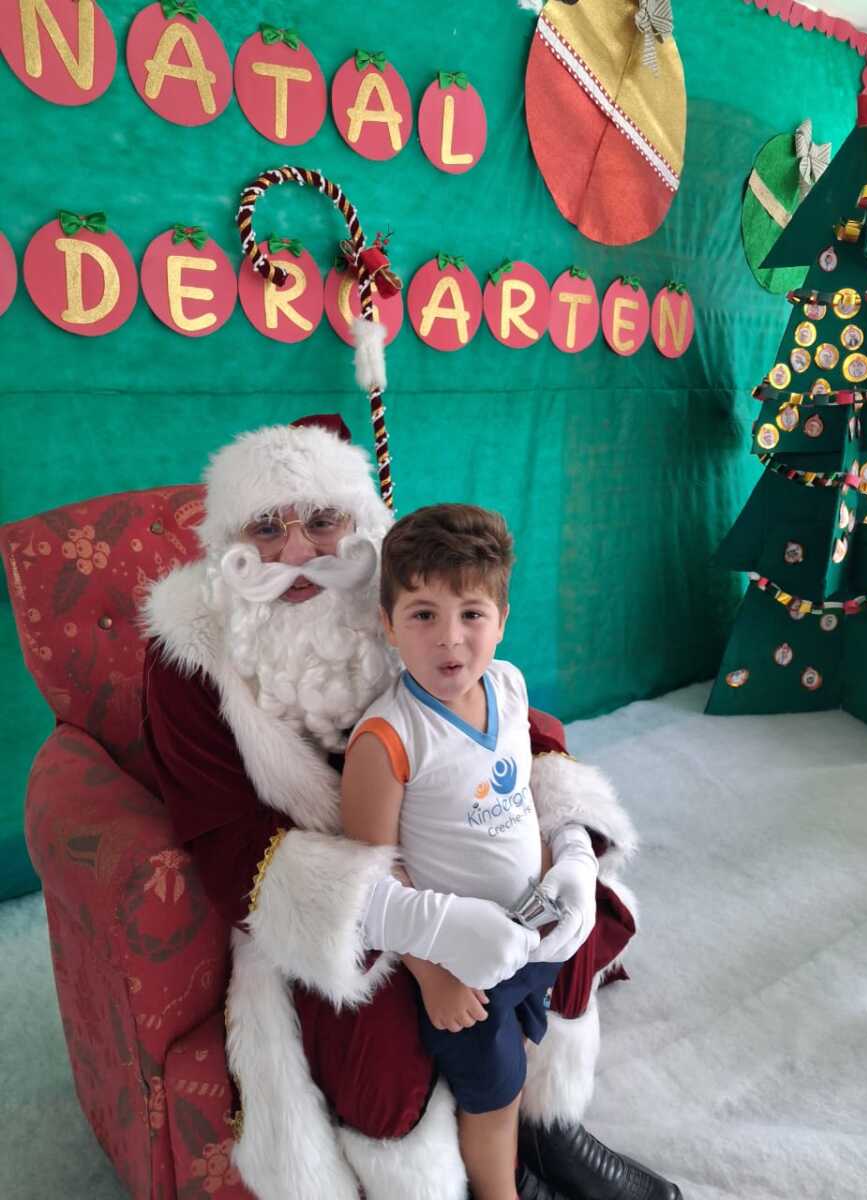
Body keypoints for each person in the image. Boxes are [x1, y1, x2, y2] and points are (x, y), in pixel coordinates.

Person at [141, 414, 682, 1200]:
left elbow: (515, 727)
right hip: (330, 899)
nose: (297, 552)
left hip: (464, 845)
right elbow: (223, 835)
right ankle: (469, 1180)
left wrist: (569, 841)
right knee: (385, 1054)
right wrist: (413, 928)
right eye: (266, 529)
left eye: (321, 521)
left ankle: (548, 1127)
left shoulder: (400, 589)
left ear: (359, 526)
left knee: (572, 922)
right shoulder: (188, 658)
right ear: (230, 545)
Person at [343, 503, 596, 1200]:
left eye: (472, 614)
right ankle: (497, 1188)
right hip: (460, 971)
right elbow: (372, 883)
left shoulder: (507, 686)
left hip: (530, 933)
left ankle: (539, 1150)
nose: (450, 638)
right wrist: (432, 976)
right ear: (388, 624)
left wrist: (568, 864)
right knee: (493, 1094)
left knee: (531, 1047)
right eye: (423, 614)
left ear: (502, 619)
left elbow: (525, 798)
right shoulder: (388, 739)